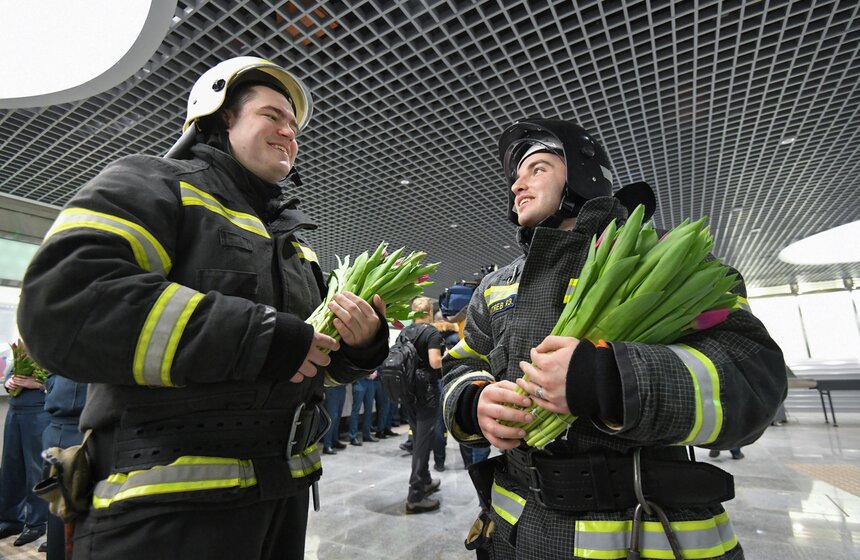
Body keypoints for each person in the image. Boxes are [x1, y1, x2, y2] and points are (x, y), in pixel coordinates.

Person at [17, 56, 389, 560]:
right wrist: (261, 339)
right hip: (163, 514)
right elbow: (64, 304)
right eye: (272, 115)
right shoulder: (151, 183)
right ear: (220, 116)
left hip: (283, 499)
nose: (288, 132)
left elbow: (306, 364)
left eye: (295, 127)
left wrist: (360, 348)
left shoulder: (296, 245)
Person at [441, 118, 787, 559]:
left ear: (584, 175)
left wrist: (606, 378)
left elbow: (755, 382)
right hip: (513, 541)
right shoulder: (495, 288)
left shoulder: (668, 258)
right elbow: (461, 365)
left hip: (642, 537)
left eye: (537, 168)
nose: (517, 185)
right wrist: (474, 403)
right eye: (514, 177)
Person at [0, 343, 50, 548]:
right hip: (15, 409)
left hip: (38, 412)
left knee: (35, 469)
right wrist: (9, 382)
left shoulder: (50, 348)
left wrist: (37, 384)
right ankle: (11, 520)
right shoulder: (21, 347)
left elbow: (63, 382)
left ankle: (37, 523)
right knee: (10, 468)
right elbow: (11, 373)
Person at [403, 297, 446, 514]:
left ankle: (426, 480)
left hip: (408, 392)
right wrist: (448, 355)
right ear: (430, 312)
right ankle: (415, 495)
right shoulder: (431, 334)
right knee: (422, 443)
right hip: (427, 393)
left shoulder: (404, 333)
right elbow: (435, 362)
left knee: (420, 439)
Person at [41, 374, 88, 558]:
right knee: (57, 510)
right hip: (58, 424)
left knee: (89, 512)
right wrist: (51, 383)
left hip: (92, 424)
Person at [346, 373, 378, 445]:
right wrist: (367, 374)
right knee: (356, 410)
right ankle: (353, 436)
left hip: (370, 382)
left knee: (369, 409)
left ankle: (367, 434)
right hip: (359, 381)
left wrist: (374, 372)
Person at [322, 385, 348, 455]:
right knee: (332, 417)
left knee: (338, 416)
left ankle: (334, 440)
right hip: (331, 388)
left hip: (342, 387)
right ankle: (327, 445)